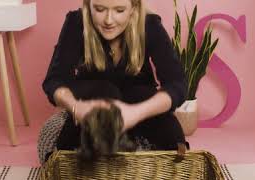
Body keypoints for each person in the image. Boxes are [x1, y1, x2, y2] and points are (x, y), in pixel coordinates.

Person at [42, 0, 188, 154]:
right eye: (99, 9)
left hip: (139, 101)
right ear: (88, 5)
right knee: (106, 90)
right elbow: (55, 80)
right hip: (93, 101)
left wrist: (136, 113)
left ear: (133, 8)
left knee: (143, 97)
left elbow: (177, 84)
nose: (108, 20)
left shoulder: (149, 24)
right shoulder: (76, 22)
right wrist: (75, 107)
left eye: (119, 10)